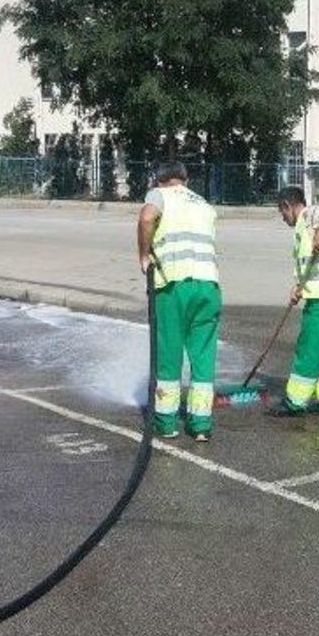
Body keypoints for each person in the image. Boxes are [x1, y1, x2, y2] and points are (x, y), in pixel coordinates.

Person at [137, 162, 221, 442]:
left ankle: (166, 422)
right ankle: (200, 425)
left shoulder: (159, 195)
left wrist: (144, 255)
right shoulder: (205, 204)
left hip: (174, 285)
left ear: (161, 180)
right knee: (203, 356)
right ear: (185, 180)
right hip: (208, 286)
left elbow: (147, 218)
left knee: (169, 352)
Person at [268, 186, 319, 418]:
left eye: (282, 213)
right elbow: (310, 269)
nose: (283, 219)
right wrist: (298, 288)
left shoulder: (309, 215)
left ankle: (295, 401)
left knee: (309, 350)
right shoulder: (300, 234)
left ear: (287, 205)